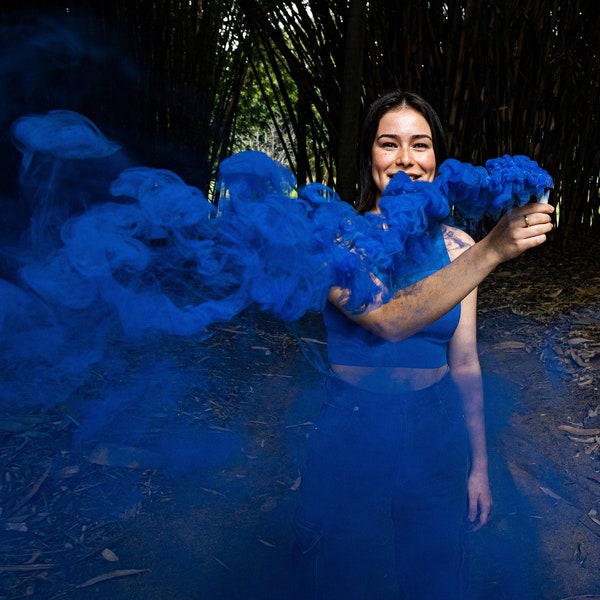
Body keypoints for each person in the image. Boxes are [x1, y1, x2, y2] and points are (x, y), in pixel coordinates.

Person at [291, 90, 554, 599]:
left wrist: (478, 465)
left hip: (434, 425)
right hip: (352, 423)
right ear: (368, 153)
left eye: (421, 145)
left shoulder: (457, 246)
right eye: (389, 144)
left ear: (438, 158)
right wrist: (493, 250)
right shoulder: (336, 238)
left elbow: (465, 361)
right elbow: (388, 320)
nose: (406, 160)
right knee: (344, 576)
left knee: (436, 578)